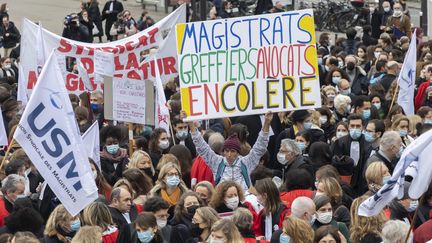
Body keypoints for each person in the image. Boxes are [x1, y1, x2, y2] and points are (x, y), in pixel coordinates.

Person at [188, 111, 272, 190]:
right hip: (221, 201)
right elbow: (201, 146)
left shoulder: (246, 162)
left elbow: (260, 147)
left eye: (232, 151)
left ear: (238, 153)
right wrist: (190, 123)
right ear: (223, 151)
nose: (229, 154)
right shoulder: (217, 162)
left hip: (243, 201)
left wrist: (267, 123)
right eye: (226, 151)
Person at [332, 114, 372, 195]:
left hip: (362, 181)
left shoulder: (368, 143)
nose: (355, 128)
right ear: (348, 126)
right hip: (345, 182)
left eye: (358, 126)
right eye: (352, 126)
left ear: (363, 127)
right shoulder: (340, 142)